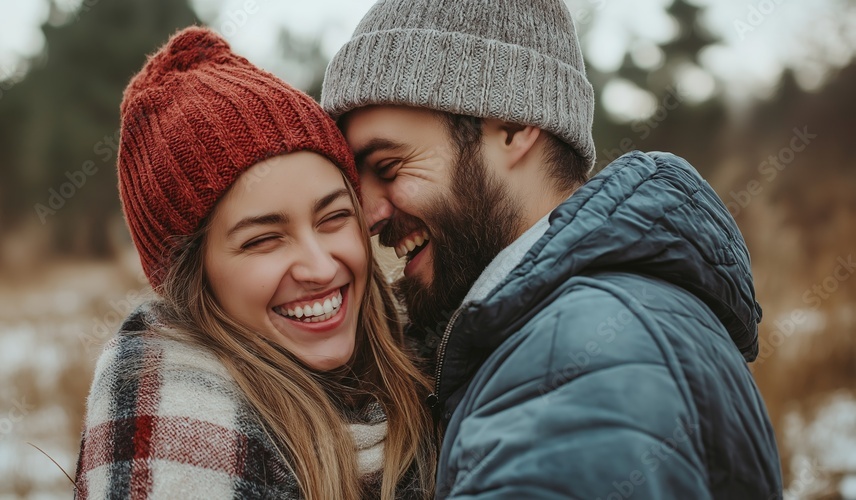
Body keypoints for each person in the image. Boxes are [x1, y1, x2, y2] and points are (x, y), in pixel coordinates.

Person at [322, 0, 783, 498]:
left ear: (514, 128)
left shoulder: (577, 361)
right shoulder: (567, 331)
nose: (368, 217)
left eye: (389, 167)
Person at [75, 27, 436, 500]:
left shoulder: (429, 346)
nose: (320, 267)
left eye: (333, 218)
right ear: (191, 279)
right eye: (264, 240)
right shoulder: (167, 418)